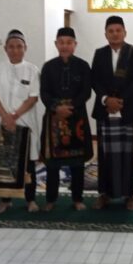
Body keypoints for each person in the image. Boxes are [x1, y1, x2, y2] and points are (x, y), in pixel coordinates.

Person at [91, 16, 133, 211]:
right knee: (104, 154)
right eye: (111, 31)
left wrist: (120, 101)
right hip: (105, 109)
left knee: (127, 155)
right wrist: (107, 99)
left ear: (124, 32)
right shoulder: (100, 53)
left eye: (118, 30)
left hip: (127, 109)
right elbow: (94, 80)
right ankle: (103, 194)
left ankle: (129, 196)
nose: (115, 34)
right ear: (105, 34)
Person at [39, 27, 93, 211]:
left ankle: (77, 199)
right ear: (56, 44)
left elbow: (86, 92)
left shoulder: (83, 66)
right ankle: (51, 199)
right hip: (53, 119)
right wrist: (57, 108)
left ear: (75, 45)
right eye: (61, 42)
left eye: (69, 42)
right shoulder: (48, 67)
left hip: (76, 118)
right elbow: (44, 93)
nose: (65, 46)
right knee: (52, 163)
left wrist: (70, 107)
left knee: (77, 162)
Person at [0, 29, 41, 214]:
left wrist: (14, 116)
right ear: (5, 48)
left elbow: (33, 98)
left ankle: (31, 200)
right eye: (11, 47)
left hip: (25, 123)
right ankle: (5, 200)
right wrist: (6, 117)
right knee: (5, 163)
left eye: (19, 46)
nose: (15, 50)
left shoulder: (32, 69)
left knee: (28, 165)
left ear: (25, 48)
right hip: (4, 123)